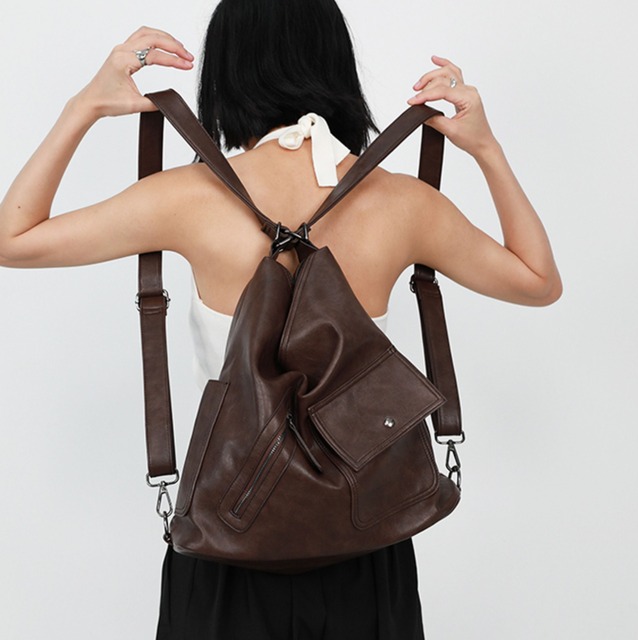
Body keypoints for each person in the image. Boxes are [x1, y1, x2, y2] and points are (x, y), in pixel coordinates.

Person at [0, 0, 561, 638]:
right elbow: (539, 282)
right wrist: (485, 147)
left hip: (225, 542)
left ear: (227, 73)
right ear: (337, 65)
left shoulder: (188, 198)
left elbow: (13, 238)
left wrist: (84, 106)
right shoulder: (401, 203)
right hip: (366, 541)